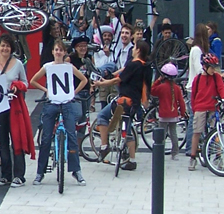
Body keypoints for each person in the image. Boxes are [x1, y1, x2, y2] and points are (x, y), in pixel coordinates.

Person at [29, 40, 88, 186]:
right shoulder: (48, 66)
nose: (58, 52)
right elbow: (33, 80)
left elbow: (84, 80)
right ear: (53, 52)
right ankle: (40, 172)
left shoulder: (69, 66)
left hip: (67, 102)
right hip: (52, 102)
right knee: (46, 138)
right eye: (56, 50)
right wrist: (46, 91)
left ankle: (76, 170)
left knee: (72, 135)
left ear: (64, 52)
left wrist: (73, 92)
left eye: (61, 50)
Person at [92, 40, 151, 171]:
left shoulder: (133, 64)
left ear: (138, 50)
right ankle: (132, 160)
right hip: (134, 102)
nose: (133, 49)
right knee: (127, 130)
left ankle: (104, 146)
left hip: (123, 100)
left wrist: (102, 83)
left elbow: (119, 79)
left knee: (102, 116)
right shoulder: (145, 66)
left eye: (135, 47)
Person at [0, 34, 34, 187]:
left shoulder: (18, 64)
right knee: (3, 141)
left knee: (17, 140)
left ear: (11, 48)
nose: (4, 48)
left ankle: (19, 175)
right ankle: (6, 175)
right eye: (2, 46)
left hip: (14, 106)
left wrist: (17, 85)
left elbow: (26, 83)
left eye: (7, 46)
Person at [188, 53, 224, 171]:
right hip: (200, 107)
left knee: (217, 132)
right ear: (204, 67)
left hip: (213, 107)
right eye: (212, 67)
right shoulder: (197, 79)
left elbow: (221, 89)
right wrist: (195, 109)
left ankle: (218, 157)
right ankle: (193, 158)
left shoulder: (216, 77)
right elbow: (193, 96)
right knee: (197, 132)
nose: (214, 70)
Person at [151, 63, 187, 160]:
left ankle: (160, 151)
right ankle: (175, 153)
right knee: (173, 133)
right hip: (174, 114)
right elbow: (181, 102)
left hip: (163, 114)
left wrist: (158, 81)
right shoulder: (177, 88)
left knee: (161, 134)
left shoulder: (161, 87)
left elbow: (152, 91)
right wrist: (183, 113)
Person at [185, 24, 210, 155]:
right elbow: (199, 69)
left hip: (197, 88)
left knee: (195, 118)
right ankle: (190, 148)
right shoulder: (196, 50)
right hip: (194, 89)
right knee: (194, 119)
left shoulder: (199, 50)